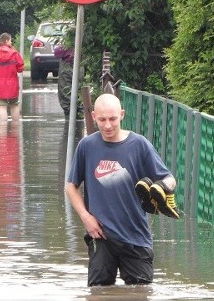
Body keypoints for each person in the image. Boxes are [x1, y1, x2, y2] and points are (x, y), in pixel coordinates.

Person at [65, 93, 178, 286]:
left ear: (122, 115)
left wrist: (162, 187)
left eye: (112, 119)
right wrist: (86, 217)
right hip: (100, 235)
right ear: (93, 117)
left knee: (141, 296)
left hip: (136, 236)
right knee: (98, 297)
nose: (107, 125)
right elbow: (71, 186)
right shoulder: (87, 146)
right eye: (102, 119)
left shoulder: (139, 145)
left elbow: (170, 178)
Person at [0, 32, 24, 122]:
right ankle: (15, 127)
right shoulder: (14, 53)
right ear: (6, 41)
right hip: (12, 83)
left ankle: (3, 129)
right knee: (14, 104)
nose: (11, 42)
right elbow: (20, 68)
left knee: (2, 106)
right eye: (10, 40)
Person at [53, 31, 84, 120]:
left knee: (66, 89)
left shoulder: (67, 44)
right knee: (79, 88)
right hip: (80, 66)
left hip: (67, 67)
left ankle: (70, 114)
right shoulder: (84, 42)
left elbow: (57, 53)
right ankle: (79, 112)